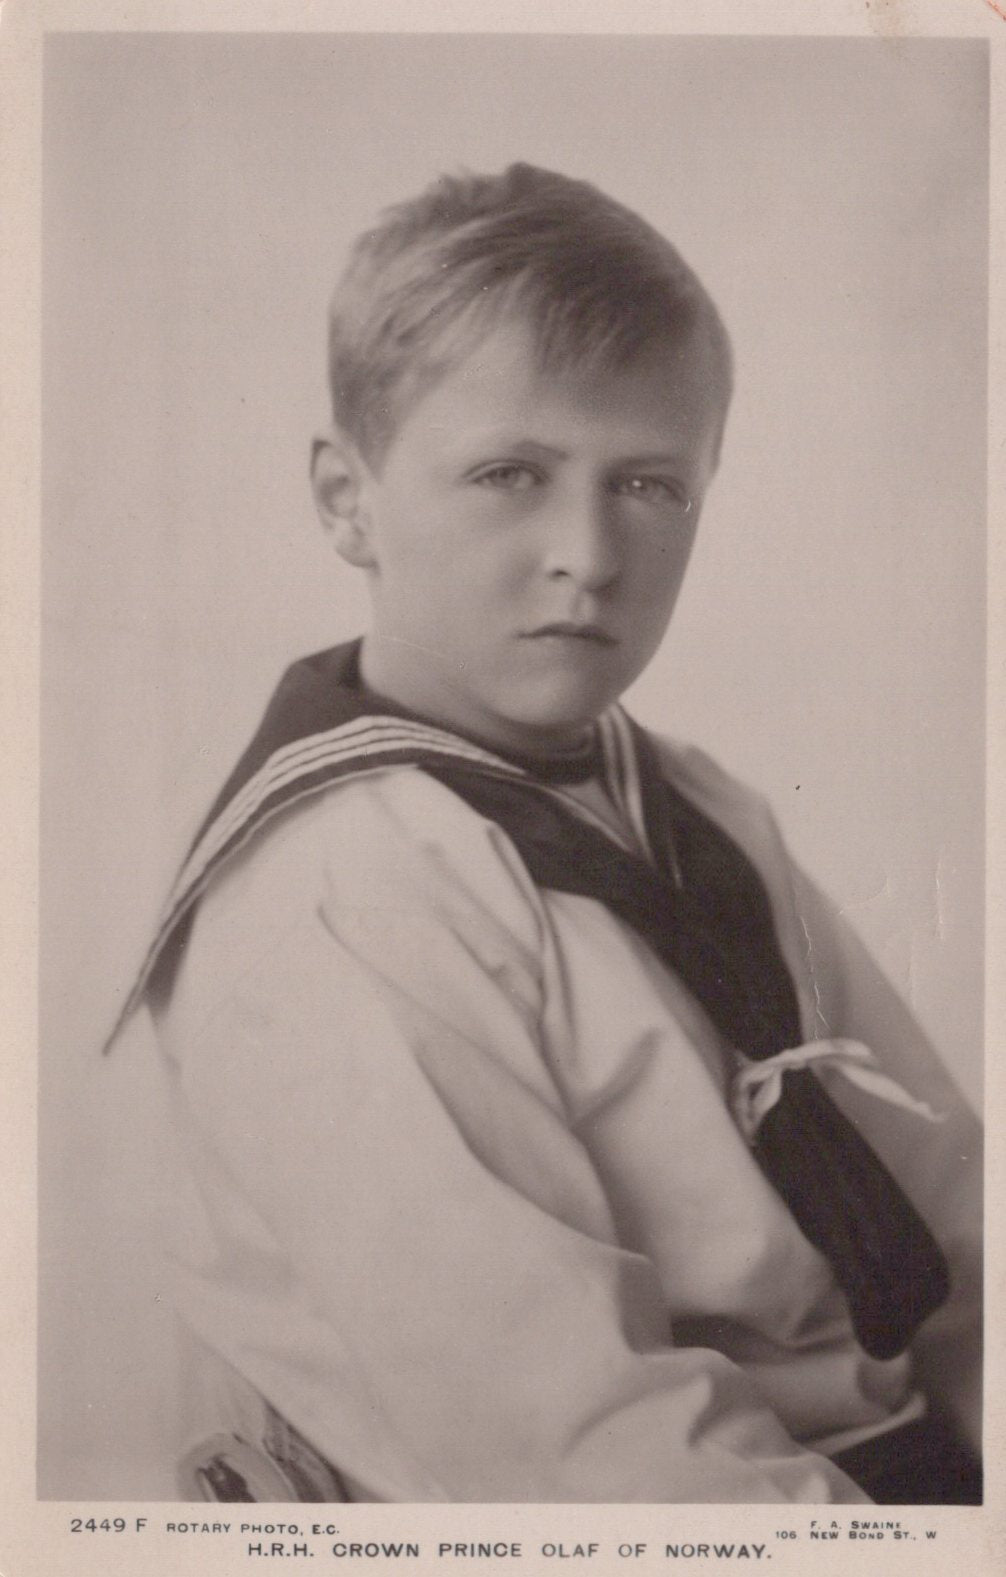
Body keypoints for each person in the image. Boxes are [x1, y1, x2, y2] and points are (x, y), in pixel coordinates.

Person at [116, 163, 982, 1504]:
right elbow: (577, 1448)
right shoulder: (345, 895)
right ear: (347, 500)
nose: (586, 549)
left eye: (647, 483)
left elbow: (952, 1220)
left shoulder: (691, 805)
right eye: (509, 473)